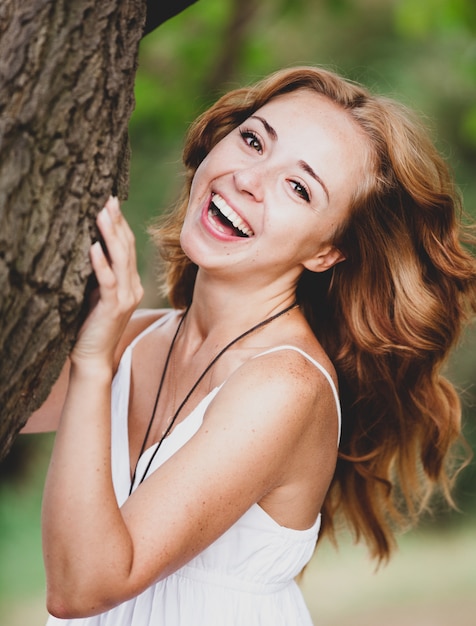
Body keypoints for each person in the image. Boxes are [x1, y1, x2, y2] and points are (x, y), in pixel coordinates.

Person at [24, 66, 476, 625]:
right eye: (254, 140)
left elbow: (85, 587)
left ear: (326, 252)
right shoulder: (140, 337)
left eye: (299, 187)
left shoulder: (286, 386)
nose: (248, 178)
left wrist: (92, 364)